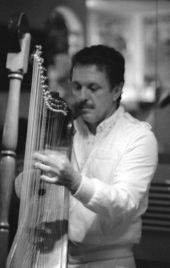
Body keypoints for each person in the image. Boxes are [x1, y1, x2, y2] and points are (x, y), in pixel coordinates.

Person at [18, 45, 158, 268]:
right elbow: (33, 195)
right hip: (55, 254)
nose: (82, 96)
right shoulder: (64, 131)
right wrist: (25, 177)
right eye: (77, 87)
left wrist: (76, 182)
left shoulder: (139, 137)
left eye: (93, 87)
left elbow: (125, 202)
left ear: (116, 90)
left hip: (110, 260)